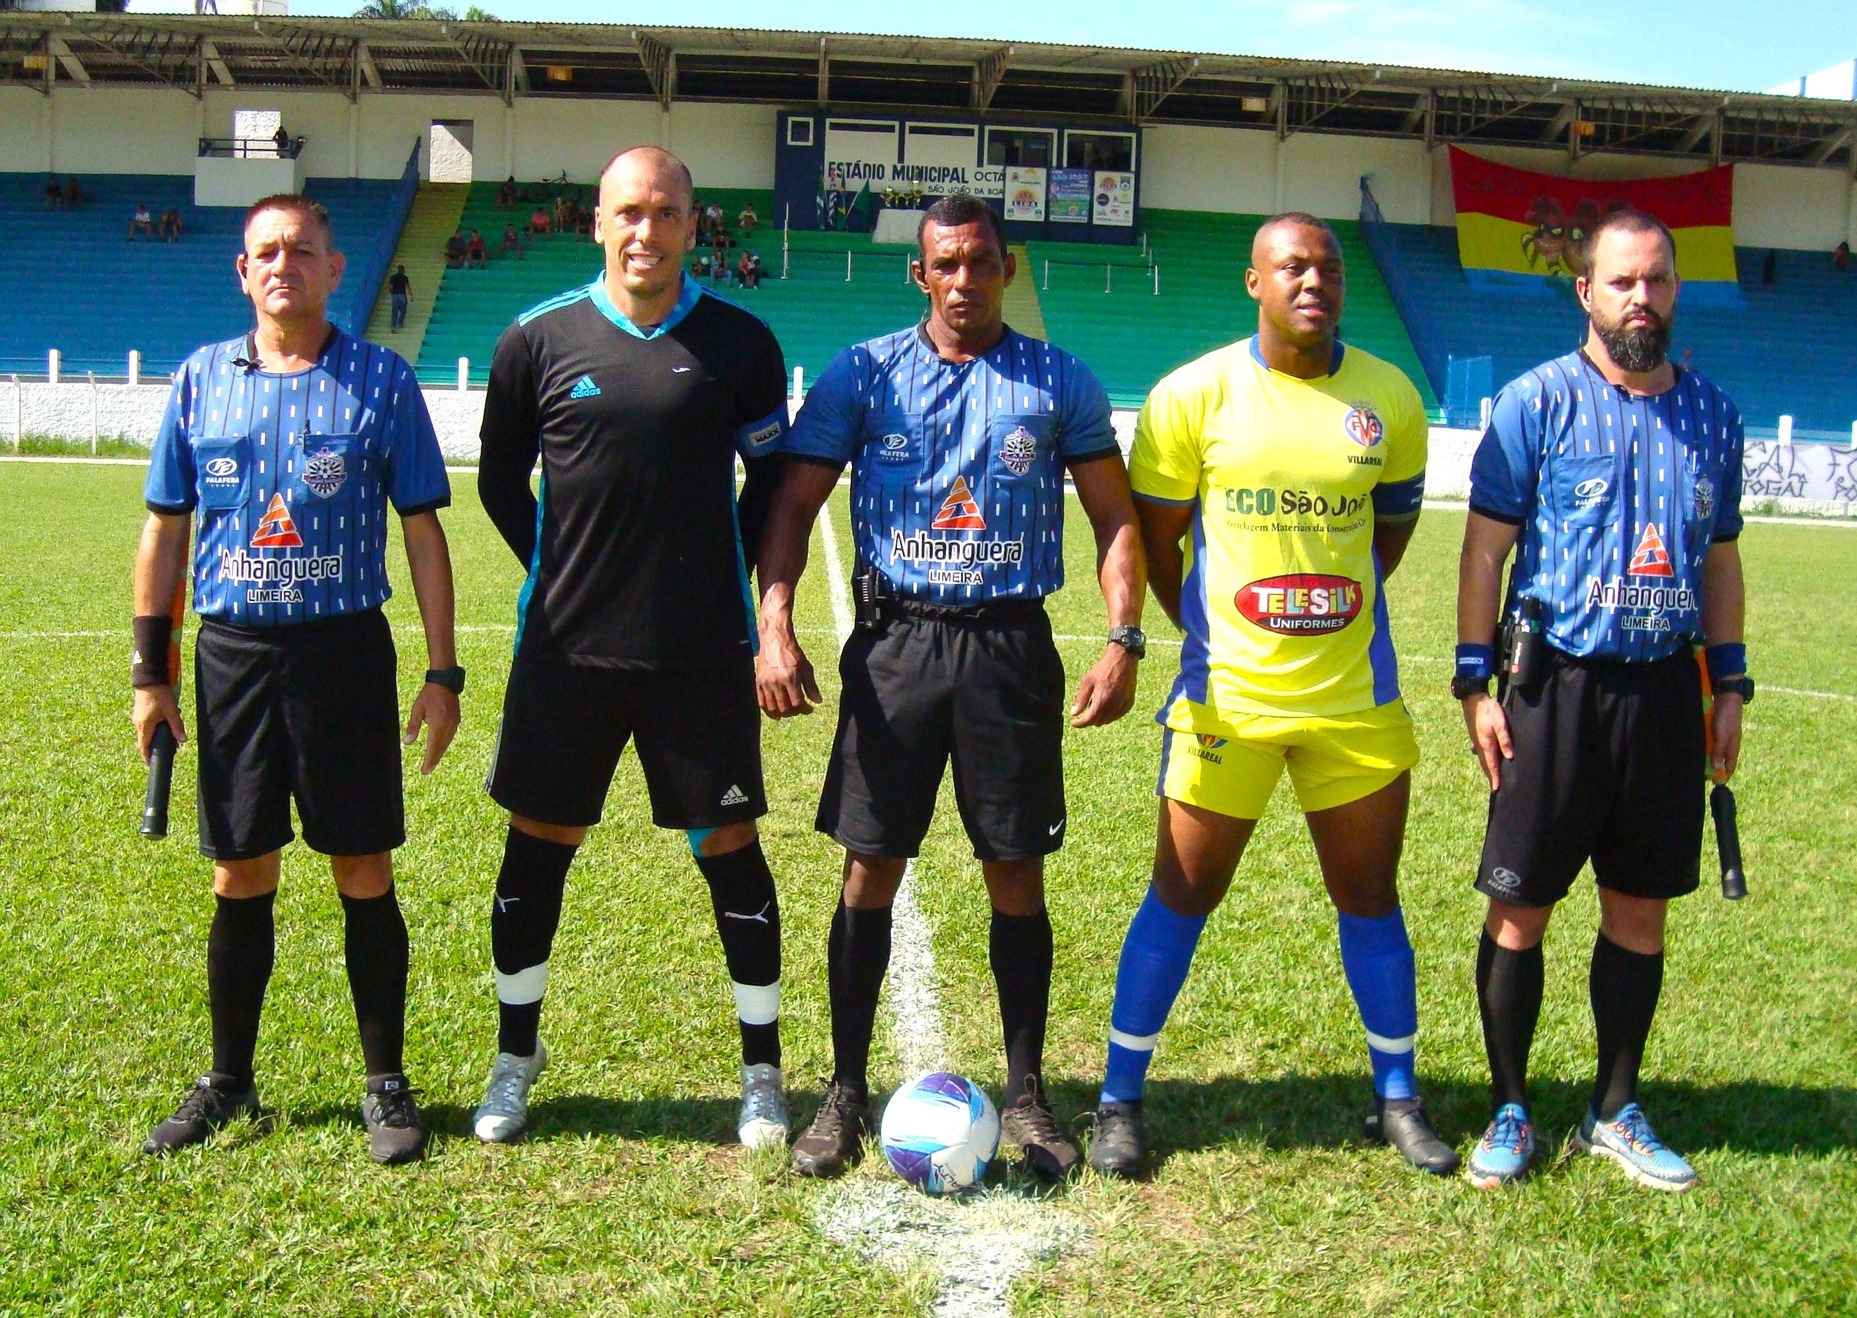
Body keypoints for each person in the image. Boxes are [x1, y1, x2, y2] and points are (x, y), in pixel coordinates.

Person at [757, 194, 1146, 1183]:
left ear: (1006, 268)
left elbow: (1115, 519)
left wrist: (1123, 638)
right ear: (919, 273)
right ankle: (843, 1090)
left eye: (980, 262)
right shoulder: (862, 372)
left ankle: (1024, 1092)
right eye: (946, 263)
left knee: (1015, 870)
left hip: (1009, 648)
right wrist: (774, 625)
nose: (964, 279)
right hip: (896, 646)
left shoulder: (1058, 380)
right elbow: (795, 502)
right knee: (869, 867)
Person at [1086, 212, 1457, 1179]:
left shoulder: (1389, 398)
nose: (1313, 282)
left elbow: (1388, 540)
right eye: (1291, 266)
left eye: (1328, 268)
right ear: (1253, 281)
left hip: (1354, 704)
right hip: (1227, 704)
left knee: (1369, 899)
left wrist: (1325, 613)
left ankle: (1398, 1098)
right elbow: (1159, 542)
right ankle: (1120, 1099)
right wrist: (1214, 631)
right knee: (1181, 892)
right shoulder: (1191, 396)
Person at [472, 146, 795, 1151]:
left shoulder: (742, 345)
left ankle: (762, 1074)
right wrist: (559, 568)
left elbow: (772, 488)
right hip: (567, 652)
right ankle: (513, 1060)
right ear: (597, 224)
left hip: (699, 654)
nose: (645, 230)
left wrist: (743, 595)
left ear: (694, 227)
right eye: (627, 212)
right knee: (539, 844)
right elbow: (497, 483)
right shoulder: (536, 341)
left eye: (665, 213)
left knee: (729, 849)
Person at [134, 193, 459, 1165]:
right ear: (244, 271)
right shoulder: (198, 383)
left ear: (333, 267)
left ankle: (385, 1080)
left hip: (345, 654)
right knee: (243, 870)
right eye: (265, 251)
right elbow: (165, 530)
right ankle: (230, 1079)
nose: (284, 264)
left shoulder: (382, 382)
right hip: (231, 654)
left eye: (301, 251)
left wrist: (444, 673)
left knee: (363, 866)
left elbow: (424, 531)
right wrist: (151, 673)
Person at [1456, 208, 1747, 1193]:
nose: (1641, 296)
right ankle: (1509, 1105)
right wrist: (1474, 681)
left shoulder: (1713, 416)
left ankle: (1614, 1109)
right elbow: (1486, 549)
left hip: (1664, 692)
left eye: (1658, 279)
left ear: (1677, 289)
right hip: (1554, 689)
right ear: (1586, 291)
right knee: (1519, 910)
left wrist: (1730, 684)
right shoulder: (1535, 403)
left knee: (1641, 914)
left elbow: (1719, 563)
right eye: (1621, 280)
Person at [388, 264, 411, 332]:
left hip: (395, 295)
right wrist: (411, 295)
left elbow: (390, 287)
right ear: (403, 270)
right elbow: (407, 286)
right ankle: (400, 322)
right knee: (403, 309)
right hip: (402, 295)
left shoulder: (393, 277)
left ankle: (393, 325)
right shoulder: (405, 277)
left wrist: (392, 293)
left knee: (394, 310)